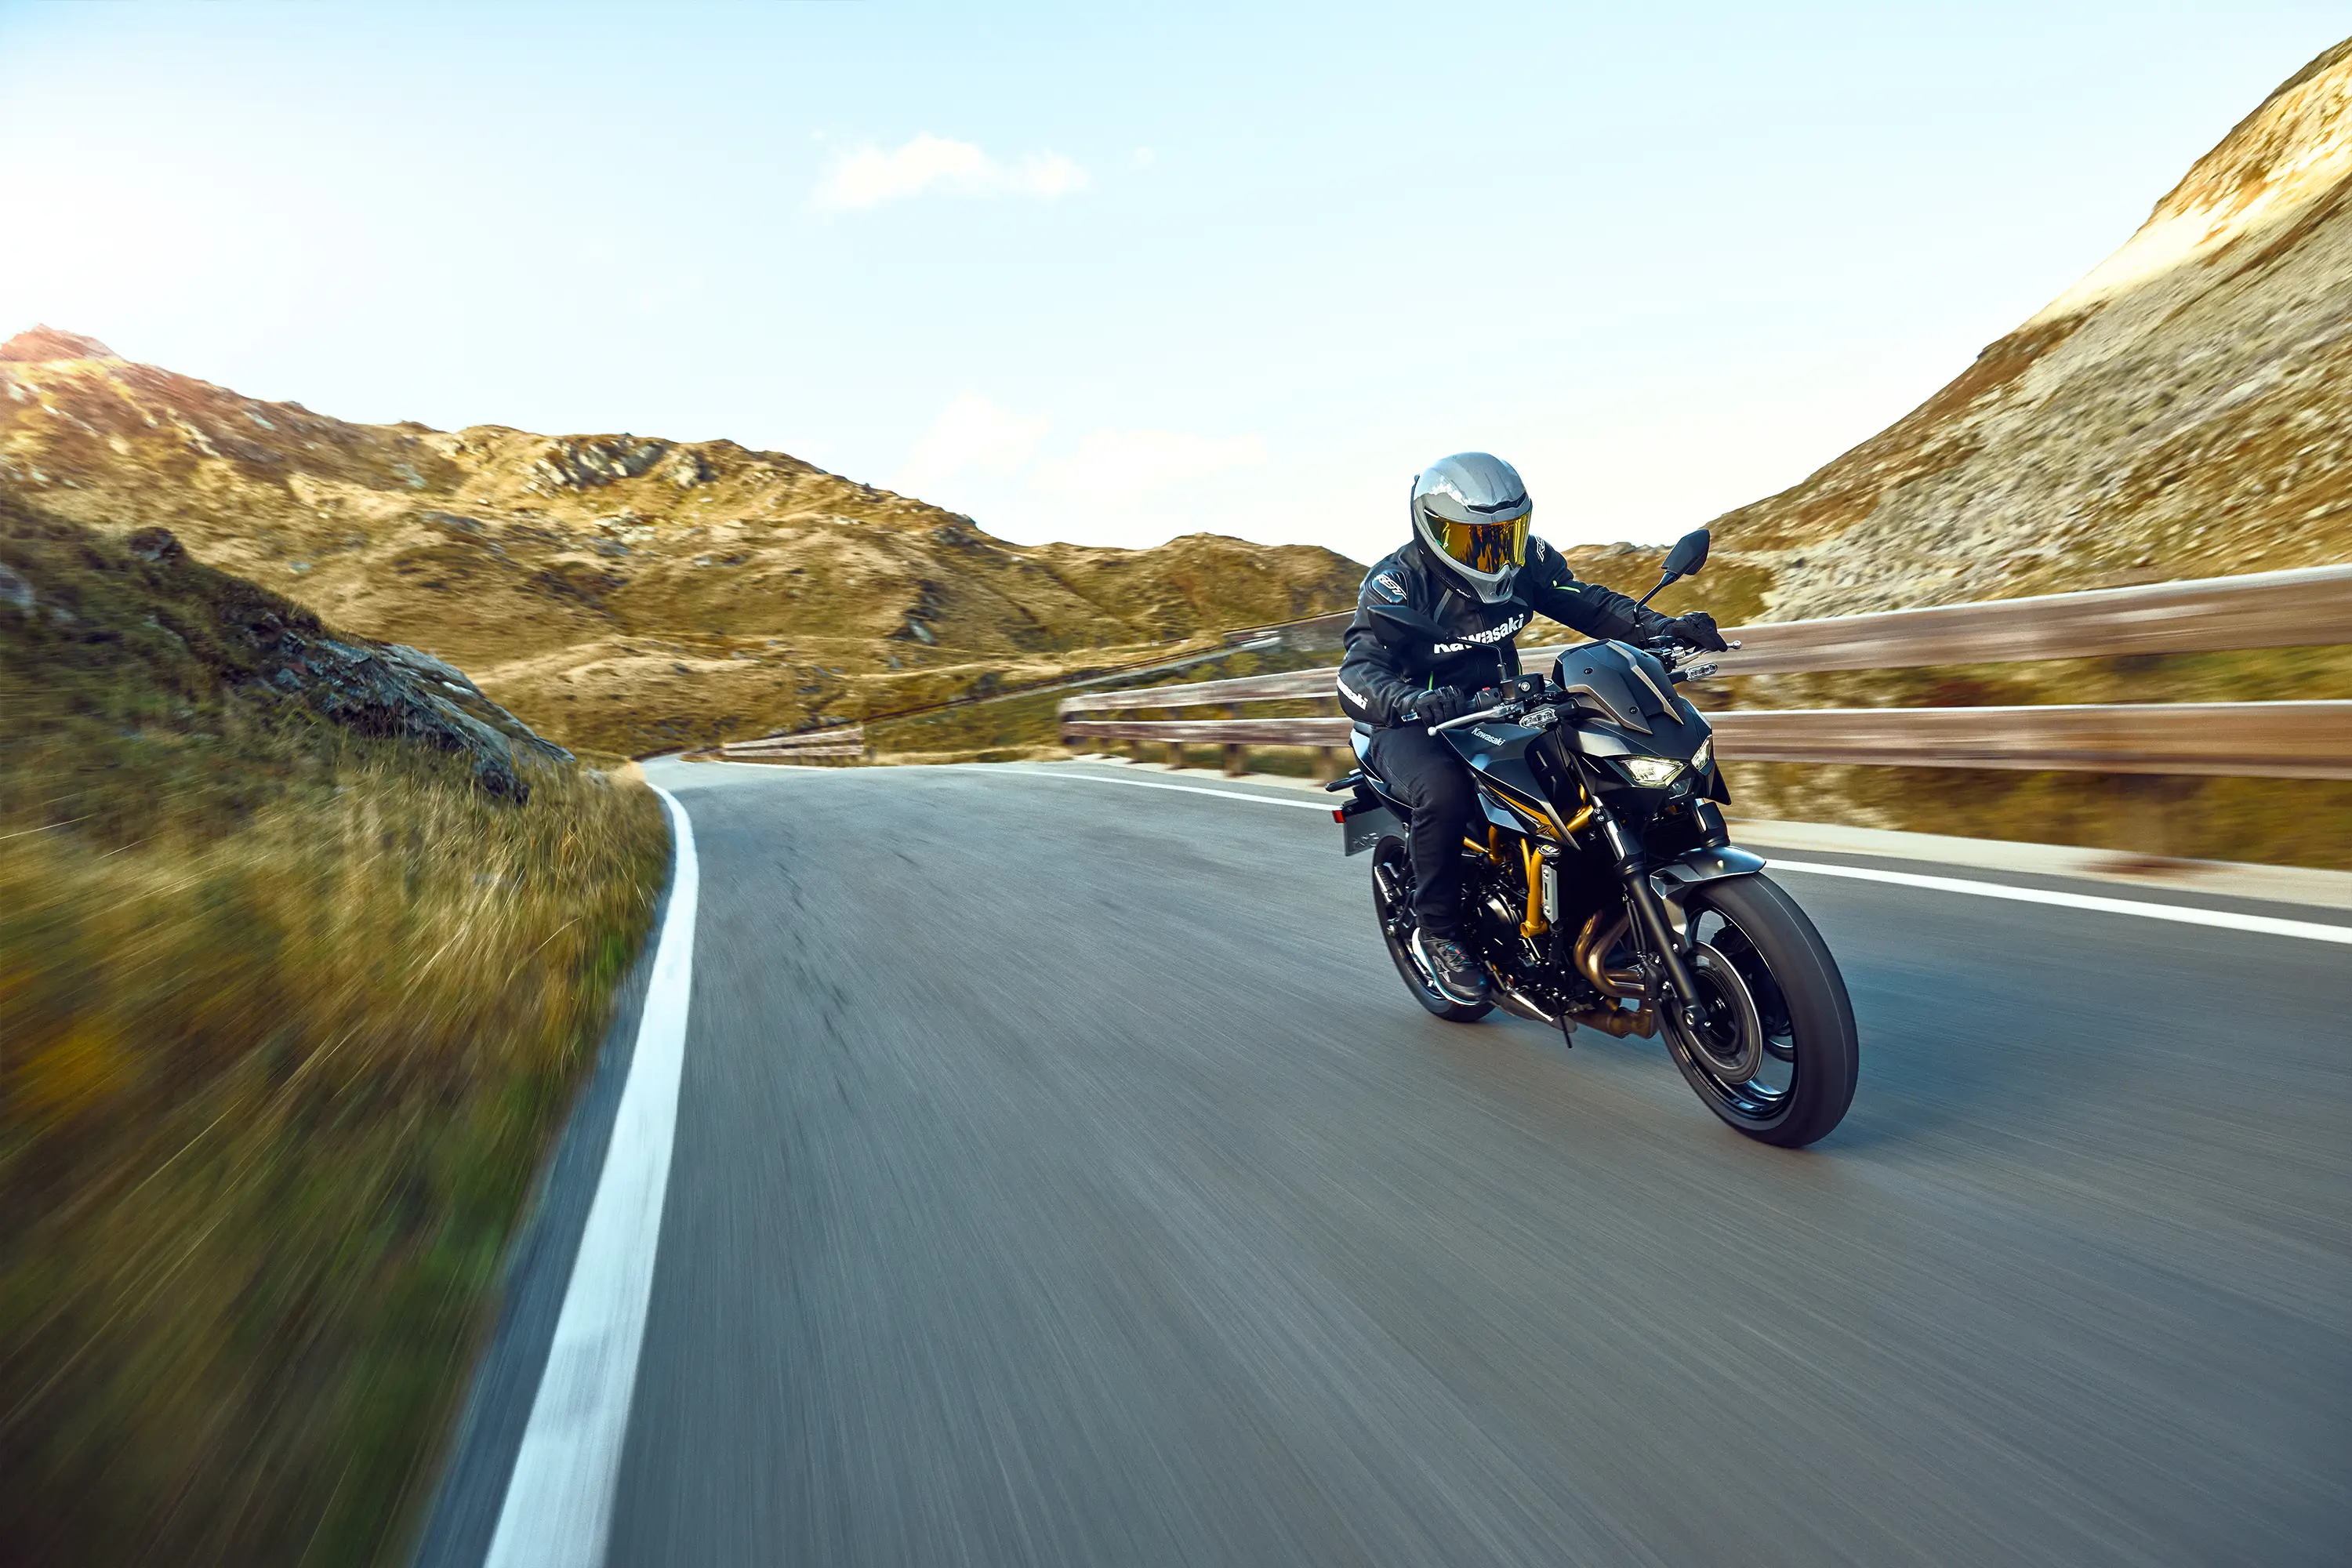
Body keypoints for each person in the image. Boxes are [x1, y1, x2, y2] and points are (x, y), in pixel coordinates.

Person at [1335, 452, 1728, 1004]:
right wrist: (1407, 699)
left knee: (1586, 783)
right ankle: (1441, 932)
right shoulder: (1397, 584)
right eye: (1476, 540)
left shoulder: (1528, 560)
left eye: (1506, 535)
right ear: (1431, 528)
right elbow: (1357, 673)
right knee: (1442, 792)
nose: (1495, 553)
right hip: (1411, 722)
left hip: (1501, 708)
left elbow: (1588, 604)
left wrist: (1664, 628)